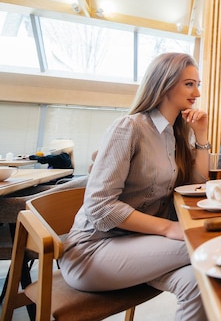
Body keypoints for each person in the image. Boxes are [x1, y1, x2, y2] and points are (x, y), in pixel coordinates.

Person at [59, 53, 209, 321]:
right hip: (93, 250)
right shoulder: (128, 128)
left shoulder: (174, 134)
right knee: (209, 246)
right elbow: (100, 207)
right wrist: (168, 228)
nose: (197, 92)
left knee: (199, 283)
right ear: (164, 83)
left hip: (140, 246)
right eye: (189, 84)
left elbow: (198, 186)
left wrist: (201, 135)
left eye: (198, 84)